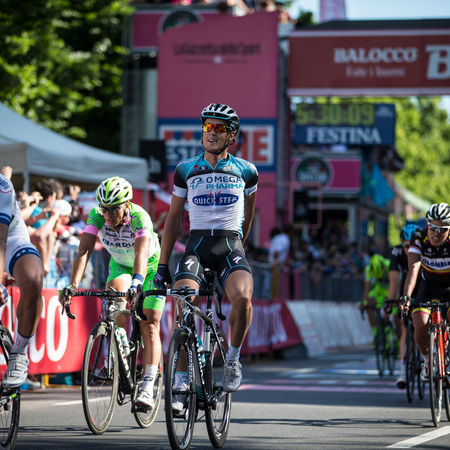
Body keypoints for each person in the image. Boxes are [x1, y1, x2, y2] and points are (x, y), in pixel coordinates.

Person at [154, 103, 258, 401]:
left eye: (219, 128)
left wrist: (239, 248)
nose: (212, 133)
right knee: (184, 304)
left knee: (243, 298)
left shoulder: (247, 171)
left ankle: (232, 360)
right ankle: (182, 380)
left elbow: (248, 216)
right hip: (197, 248)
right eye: (207, 127)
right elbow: (173, 219)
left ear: (231, 136)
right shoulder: (185, 169)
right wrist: (162, 265)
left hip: (229, 246)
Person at [59, 177, 163, 409]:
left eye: (114, 209)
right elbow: (84, 250)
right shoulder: (96, 215)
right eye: (104, 209)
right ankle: (119, 344)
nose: (108, 215)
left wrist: (137, 283)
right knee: (115, 301)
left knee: (150, 325)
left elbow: (141, 254)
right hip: (121, 265)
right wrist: (73, 285)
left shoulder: (139, 217)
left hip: (150, 265)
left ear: (126, 205)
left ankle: (148, 385)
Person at [0, 171, 44, 388]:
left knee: (33, 280)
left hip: (11, 241)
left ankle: (19, 352)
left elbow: (1, 240)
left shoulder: (2, 186)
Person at [401, 203, 450, 381]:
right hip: (427, 287)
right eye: (433, 227)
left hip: (449, 287)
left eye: (442, 229)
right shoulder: (419, 238)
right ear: (427, 224)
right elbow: (414, 268)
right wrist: (406, 296)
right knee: (420, 324)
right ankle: (428, 360)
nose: (436, 233)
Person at [386, 224, 418, 389]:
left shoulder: (423, 249)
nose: (408, 249)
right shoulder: (396, 252)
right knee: (404, 328)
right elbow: (394, 281)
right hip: (405, 286)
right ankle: (403, 371)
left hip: (422, 283)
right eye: (406, 246)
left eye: (411, 245)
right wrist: (389, 302)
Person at [360, 253, 390, 339]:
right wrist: (364, 302)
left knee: (396, 315)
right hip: (378, 290)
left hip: (391, 289)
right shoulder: (368, 269)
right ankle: (375, 334)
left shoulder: (389, 264)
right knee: (368, 303)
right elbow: (367, 288)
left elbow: (397, 284)